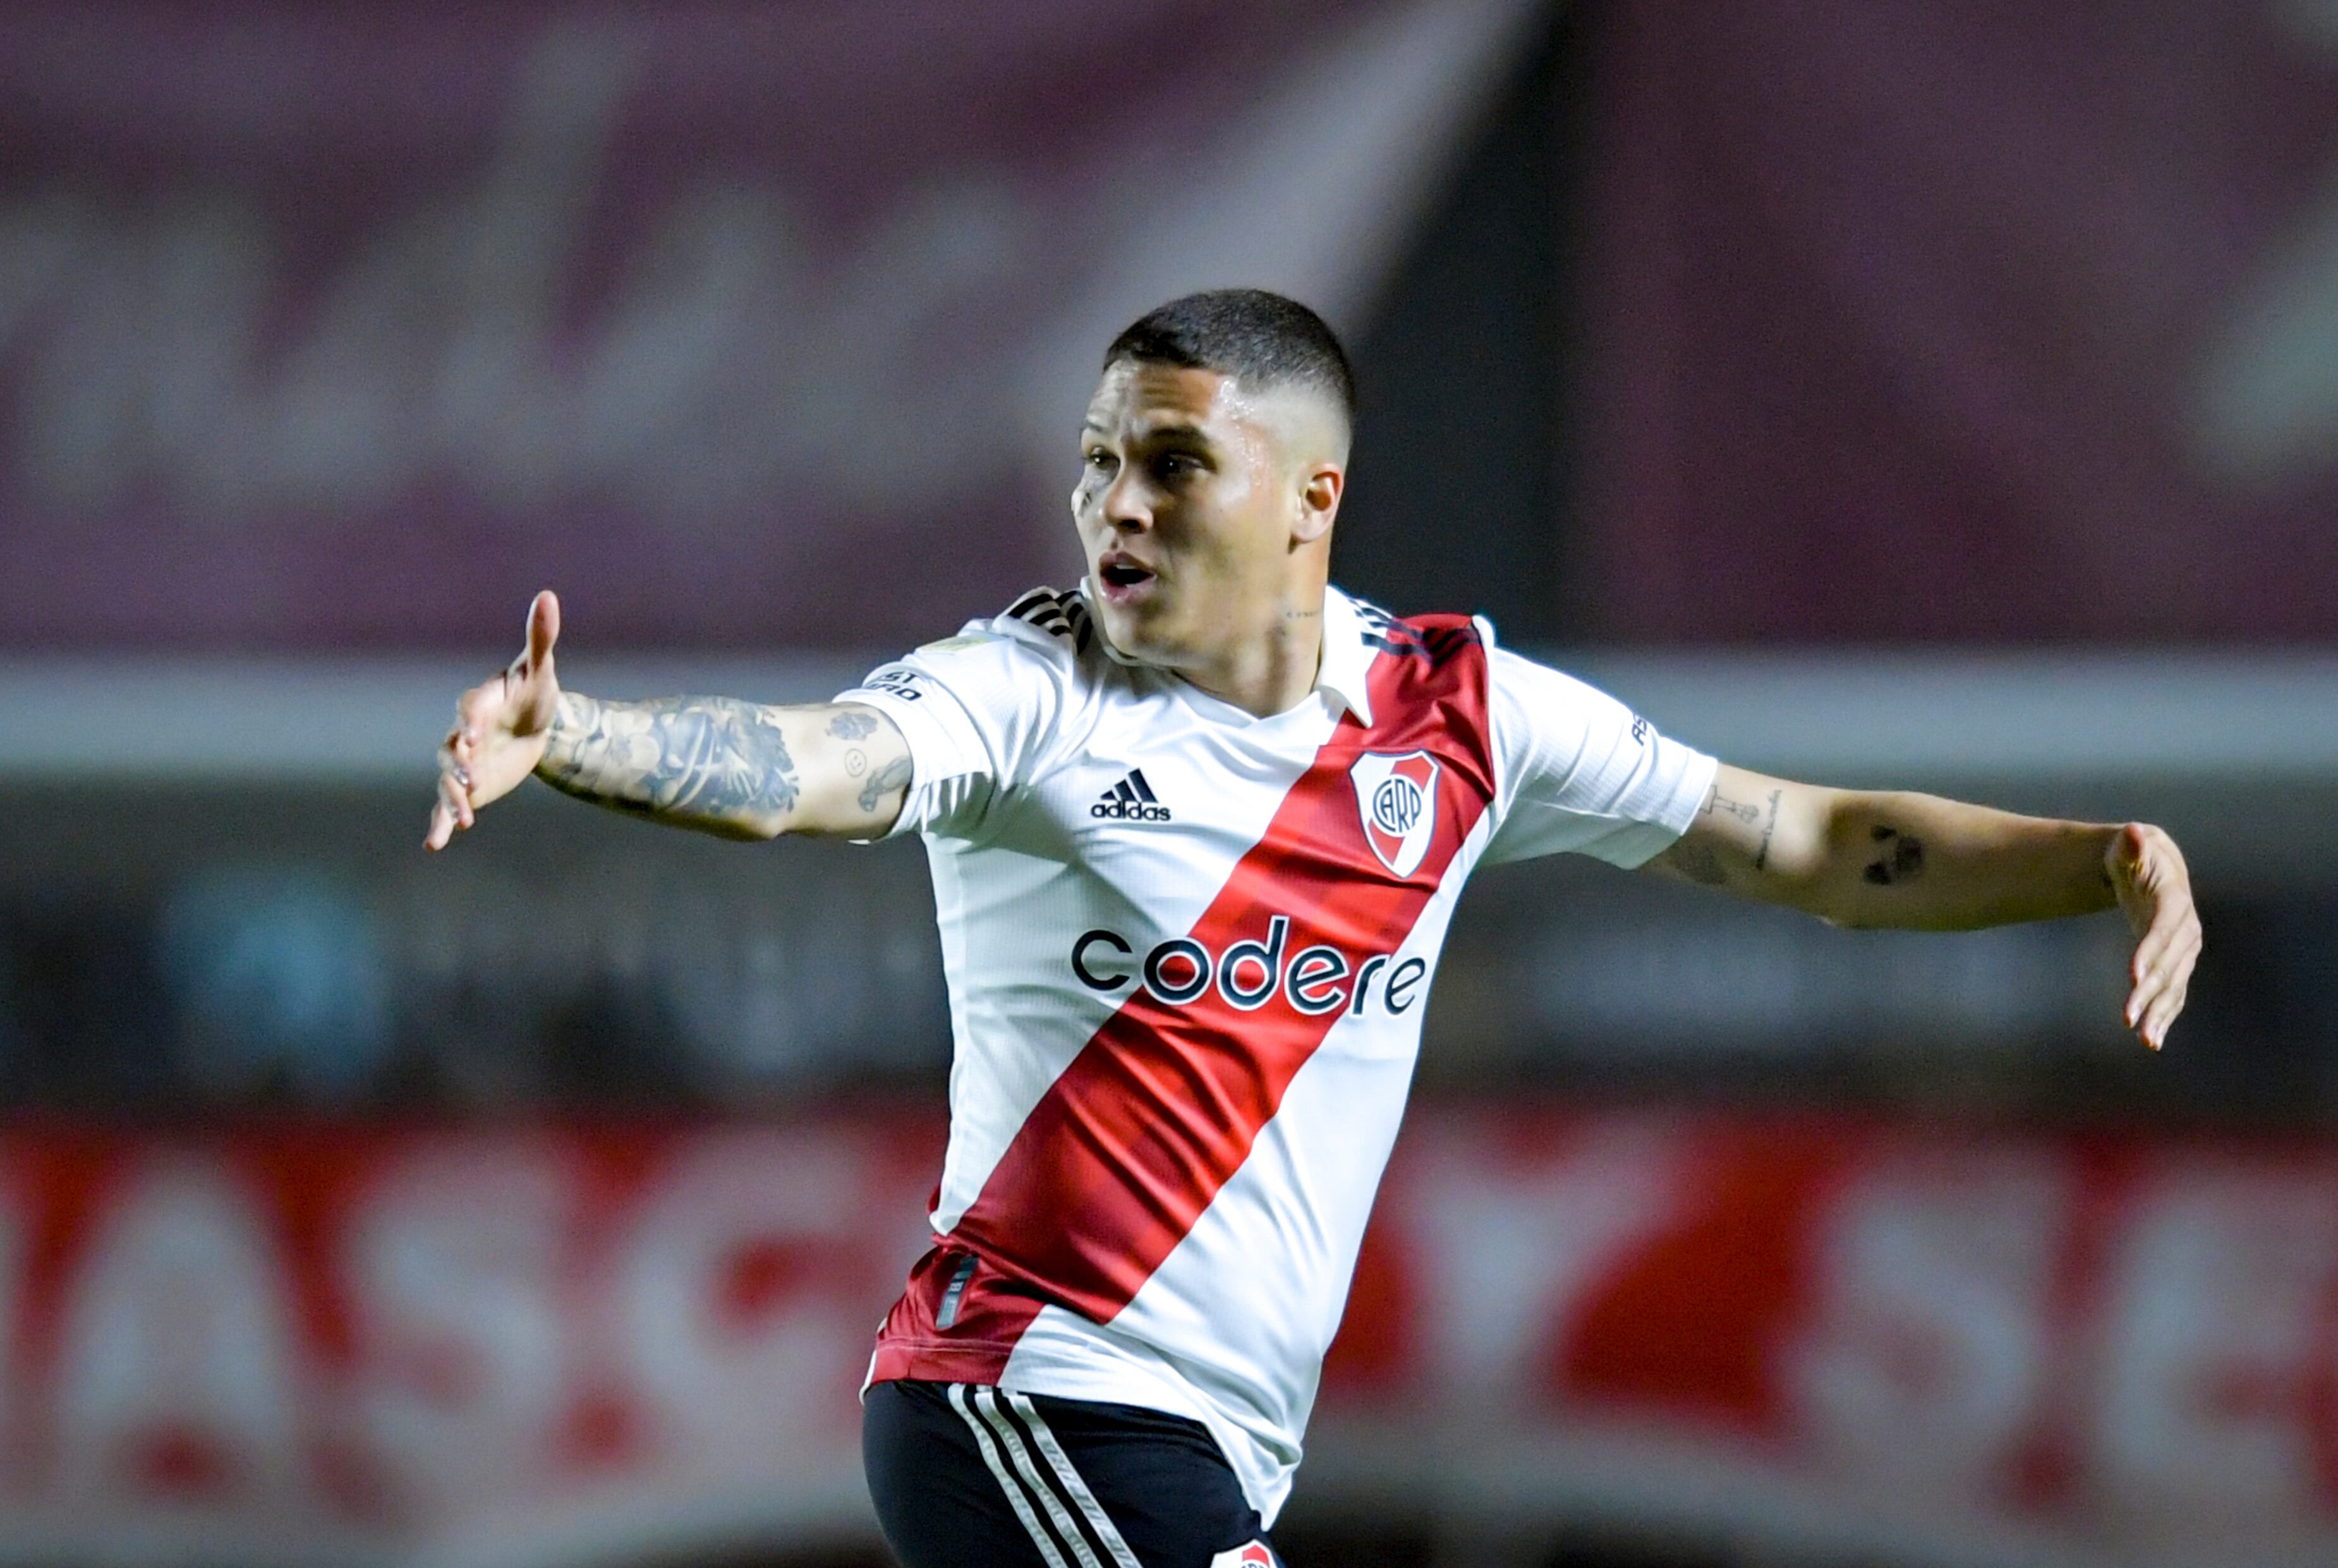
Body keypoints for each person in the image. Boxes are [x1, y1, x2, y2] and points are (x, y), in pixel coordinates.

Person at [425, 289, 2201, 1568]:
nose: (1114, 504)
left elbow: (1800, 836)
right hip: (1026, 1393)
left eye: (1173, 464)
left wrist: (2098, 858)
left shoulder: (1460, 715)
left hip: (1210, 1442)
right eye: (1096, 460)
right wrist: (572, 735)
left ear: (1308, 497)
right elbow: (809, 765)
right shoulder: (1028, 689)